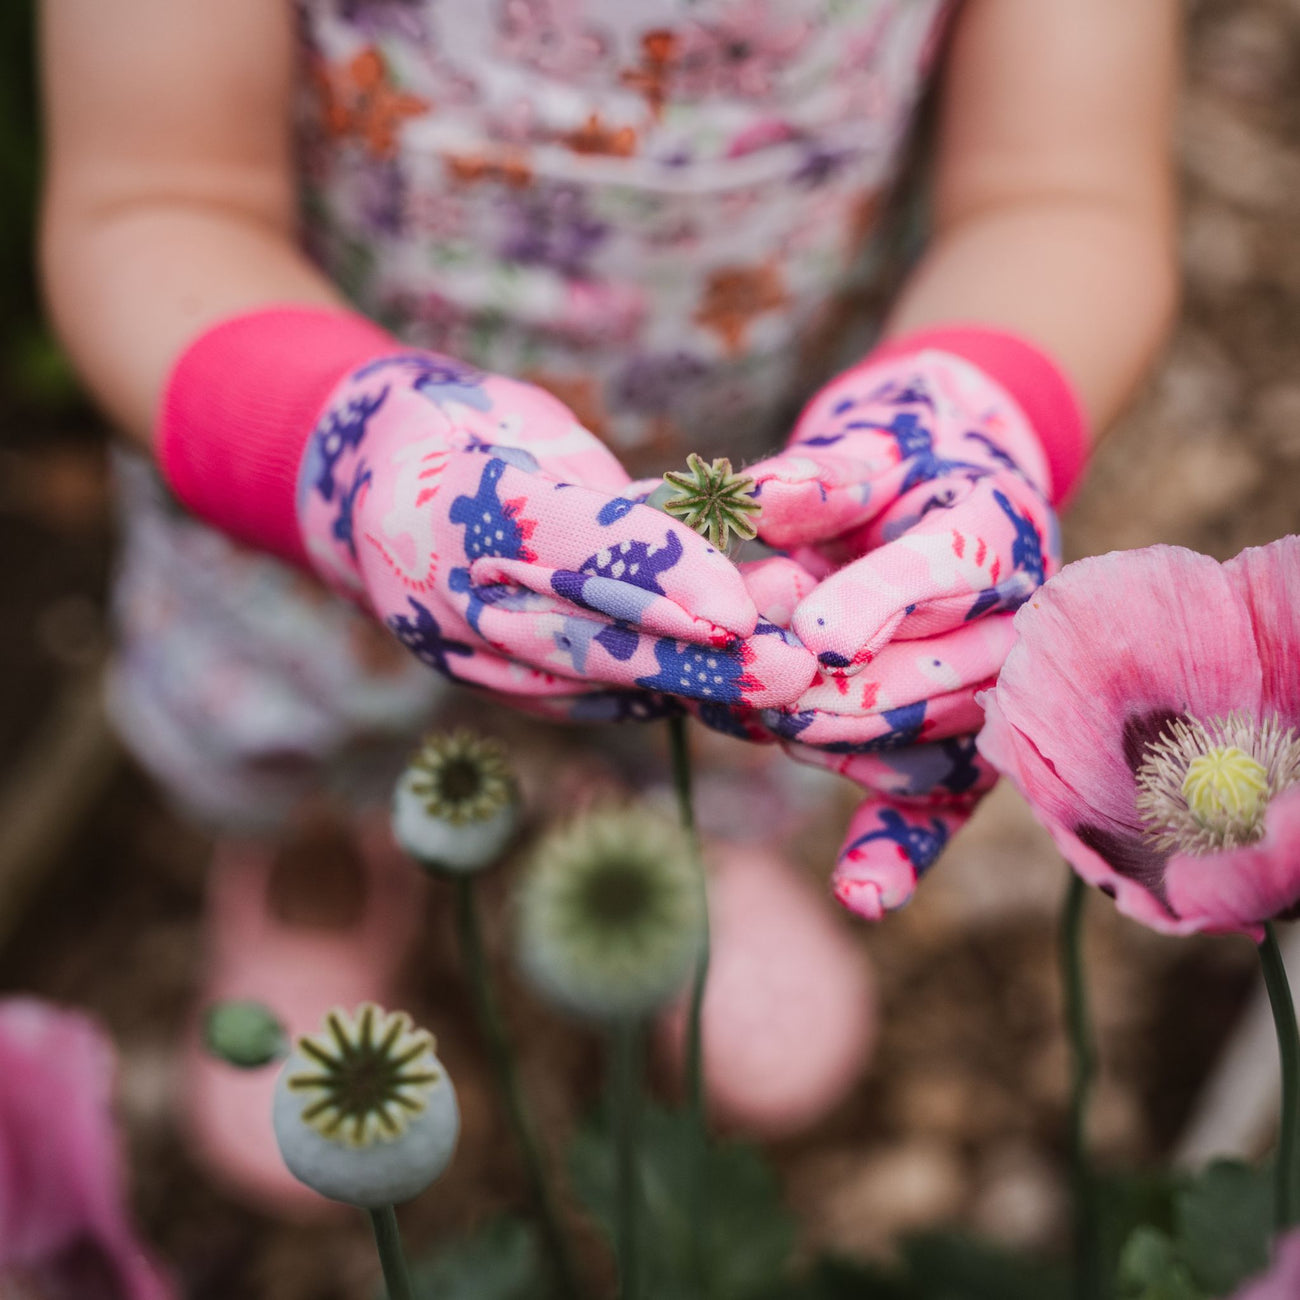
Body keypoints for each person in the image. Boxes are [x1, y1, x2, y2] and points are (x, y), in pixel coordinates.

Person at [38, 0, 1178, 1213]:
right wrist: (339, 447)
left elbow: (1061, 195)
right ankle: (320, 850)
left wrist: (970, 411)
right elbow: (153, 201)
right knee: (304, 694)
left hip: (774, 468)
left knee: (762, 671)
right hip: (338, 464)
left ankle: (694, 831)